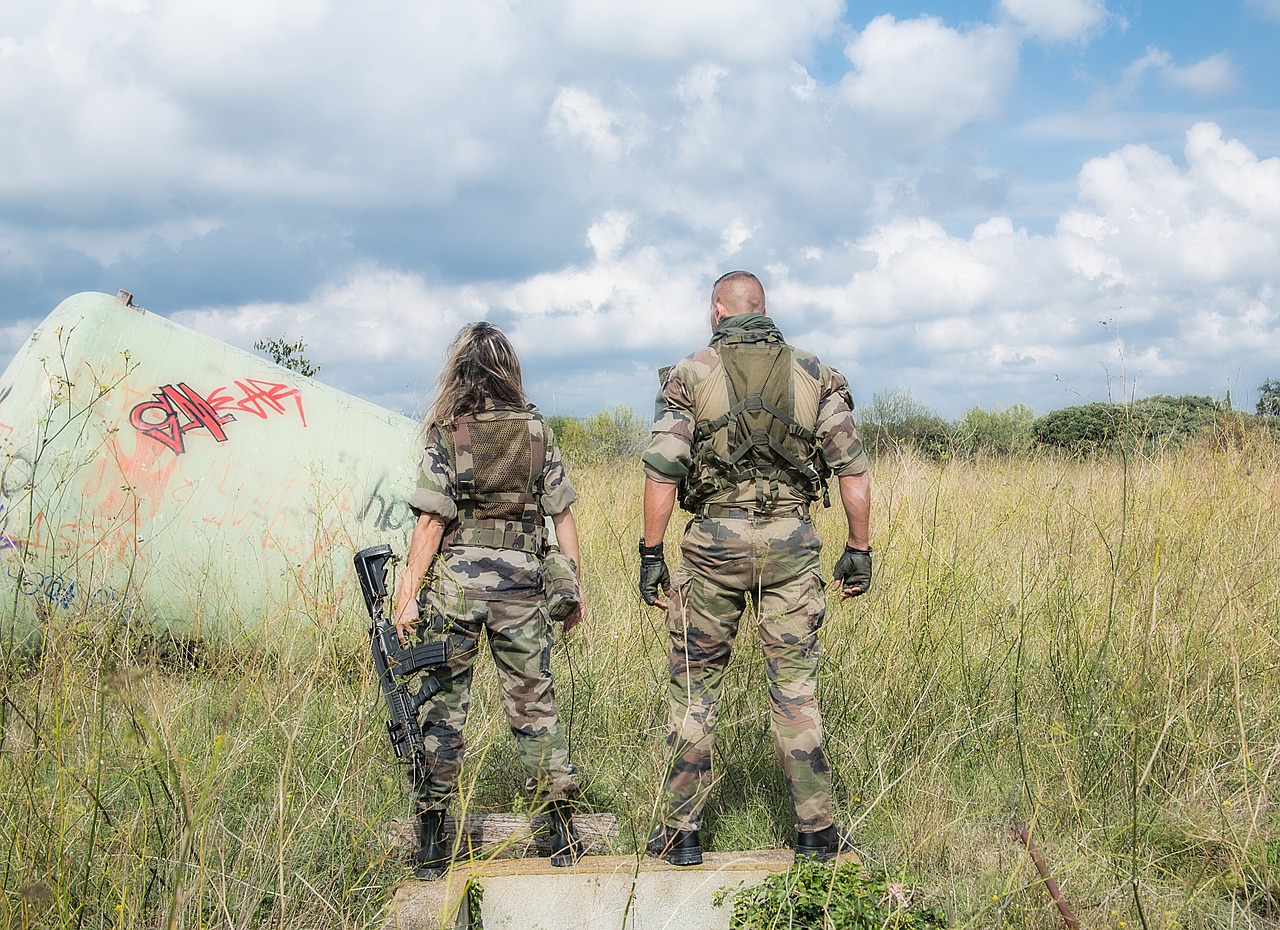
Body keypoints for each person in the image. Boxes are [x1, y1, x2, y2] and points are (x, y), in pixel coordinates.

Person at [638, 270, 872, 866]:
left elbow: (663, 469)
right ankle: (817, 833)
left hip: (712, 545)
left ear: (718, 310)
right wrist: (859, 548)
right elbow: (853, 470)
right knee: (795, 691)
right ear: (762, 310)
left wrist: (650, 554)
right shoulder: (815, 373)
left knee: (694, 689)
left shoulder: (690, 373)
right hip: (791, 544)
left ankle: (680, 833)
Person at [391, 321, 585, 880]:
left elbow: (431, 521)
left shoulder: (449, 432)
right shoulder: (537, 433)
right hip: (524, 590)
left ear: (460, 372)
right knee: (534, 711)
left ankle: (431, 838)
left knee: (442, 712)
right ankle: (561, 832)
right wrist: (573, 586)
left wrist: (407, 596)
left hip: (457, 591)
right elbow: (562, 514)